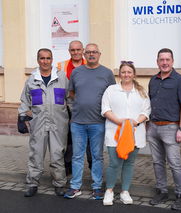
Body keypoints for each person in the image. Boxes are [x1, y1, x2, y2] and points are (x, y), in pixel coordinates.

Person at [64, 43, 116, 200]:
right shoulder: (76, 72)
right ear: (84, 55)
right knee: (77, 156)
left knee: (97, 156)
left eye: (95, 52)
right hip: (77, 122)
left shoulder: (107, 73)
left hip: (98, 122)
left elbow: (112, 95)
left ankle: (97, 187)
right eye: (88, 52)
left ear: (100, 54)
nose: (91, 54)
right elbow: (71, 92)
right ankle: (75, 187)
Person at [18, 48, 69, 197]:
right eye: (42, 58)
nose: (45, 61)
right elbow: (25, 101)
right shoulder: (32, 79)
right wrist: (22, 116)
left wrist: (73, 118)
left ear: (52, 60)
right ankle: (33, 183)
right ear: (38, 60)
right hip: (38, 123)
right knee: (36, 155)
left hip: (58, 124)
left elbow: (70, 99)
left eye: (48, 58)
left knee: (57, 155)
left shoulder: (61, 77)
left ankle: (59, 184)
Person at [101, 61, 151, 205]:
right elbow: (105, 109)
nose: (126, 74)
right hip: (114, 133)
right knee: (115, 163)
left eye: (129, 72)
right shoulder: (111, 90)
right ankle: (109, 191)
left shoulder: (141, 92)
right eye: (123, 72)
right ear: (119, 74)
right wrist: (119, 121)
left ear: (134, 74)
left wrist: (134, 122)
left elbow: (146, 111)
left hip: (135, 133)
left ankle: (125, 191)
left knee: (129, 163)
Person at [147, 48, 181, 210]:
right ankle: (162, 191)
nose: (164, 62)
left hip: (171, 128)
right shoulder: (153, 80)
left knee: (175, 163)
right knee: (157, 162)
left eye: (167, 59)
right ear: (157, 61)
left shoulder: (179, 80)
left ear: (172, 61)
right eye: (161, 60)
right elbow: (149, 103)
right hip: (153, 127)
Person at [57, 40, 92, 176]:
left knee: (89, 141)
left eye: (78, 50)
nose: (76, 52)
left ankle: (92, 166)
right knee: (68, 140)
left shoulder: (90, 64)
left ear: (83, 50)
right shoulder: (61, 66)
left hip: (86, 109)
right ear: (69, 51)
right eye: (73, 50)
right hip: (67, 108)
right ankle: (67, 167)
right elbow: (58, 88)